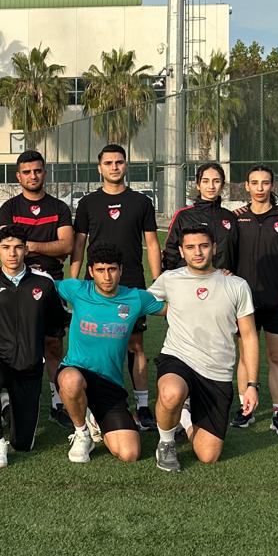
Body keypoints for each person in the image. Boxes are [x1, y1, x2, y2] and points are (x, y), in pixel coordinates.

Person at [147, 224, 259, 472]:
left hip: (216, 372)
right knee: (171, 392)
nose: (197, 252)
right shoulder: (170, 279)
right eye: (190, 247)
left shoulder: (236, 285)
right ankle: (166, 443)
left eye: (203, 246)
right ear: (181, 251)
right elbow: (143, 302)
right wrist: (170, 310)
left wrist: (251, 385)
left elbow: (249, 337)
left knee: (208, 455)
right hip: (178, 358)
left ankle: (184, 416)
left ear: (214, 248)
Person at [70, 144, 162, 429]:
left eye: (119, 162)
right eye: (108, 163)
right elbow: (79, 244)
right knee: (97, 343)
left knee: (136, 345)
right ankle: (97, 402)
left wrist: (158, 282)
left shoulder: (141, 202)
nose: (114, 167)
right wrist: (74, 281)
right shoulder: (87, 203)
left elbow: (152, 243)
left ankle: (143, 406)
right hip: (95, 286)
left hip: (130, 283)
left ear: (125, 165)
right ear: (99, 168)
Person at [53, 242, 167, 466]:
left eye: (112, 269)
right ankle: (82, 433)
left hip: (110, 383)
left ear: (121, 270)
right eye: (100, 270)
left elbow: (173, 310)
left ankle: (96, 419)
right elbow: (40, 284)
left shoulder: (135, 298)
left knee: (129, 453)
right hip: (77, 370)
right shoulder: (77, 290)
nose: (107, 276)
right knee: (70, 380)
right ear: (91, 271)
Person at [0, 226, 68, 467]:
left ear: (26, 250)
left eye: (18, 247)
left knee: (23, 443)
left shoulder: (44, 283)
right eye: (6, 248)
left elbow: (57, 319)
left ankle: (6, 406)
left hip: (29, 365)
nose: (12, 253)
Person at [0, 149, 74, 424]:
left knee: (53, 344)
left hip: (52, 283)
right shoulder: (9, 208)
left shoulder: (59, 208)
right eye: (26, 172)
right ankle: (8, 400)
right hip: (18, 283)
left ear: (45, 173)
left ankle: (57, 402)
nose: (32, 176)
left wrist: (31, 245)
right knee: (14, 343)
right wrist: (49, 248)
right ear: (18, 176)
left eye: (37, 171)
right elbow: (9, 246)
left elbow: (67, 245)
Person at [230, 165, 278, 436]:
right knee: (245, 356)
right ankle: (246, 409)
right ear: (246, 186)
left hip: (277, 301)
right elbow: (228, 258)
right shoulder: (237, 218)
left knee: (277, 357)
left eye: (265, 183)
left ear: (273, 186)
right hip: (243, 303)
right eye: (254, 182)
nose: (260, 188)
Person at [161, 161, 239, 273]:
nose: (211, 186)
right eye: (205, 181)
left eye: (216, 181)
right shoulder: (184, 216)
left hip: (222, 280)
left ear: (222, 185)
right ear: (198, 185)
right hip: (190, 280)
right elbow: (171, 253)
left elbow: (237, 254)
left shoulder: (230, 217)